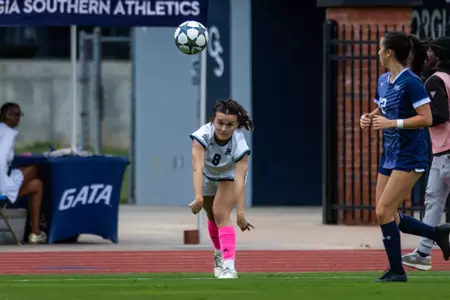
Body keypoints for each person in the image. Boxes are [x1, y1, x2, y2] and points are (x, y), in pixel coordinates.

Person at [359, 32, 450, 283]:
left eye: (380, 48)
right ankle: (435, 233)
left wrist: (392, 123)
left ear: (389, 52)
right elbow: (382, 109)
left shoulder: (411, 82)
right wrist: (369, 117)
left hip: (410, 156)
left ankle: (397, 271)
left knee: (383, 211)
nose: (378, 52)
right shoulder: (383, 80)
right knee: (386, 213)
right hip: (389, 154)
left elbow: (427, 118)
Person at [189, 99, 254, 279]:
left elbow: (240, 179)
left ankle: (229, 266)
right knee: (211, 215)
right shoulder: (202, 136)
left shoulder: (239, 143)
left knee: (221, 213)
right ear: (213, 120)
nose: (224, 129)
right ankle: (218, 254)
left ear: (236, 124)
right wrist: (198, 197)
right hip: (209, 175)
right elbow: (197, 167)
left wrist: (240, 213)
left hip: (230, 175)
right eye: (220, 123)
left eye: (230, 124)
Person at [402, 37, 450, 271]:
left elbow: (439, 115)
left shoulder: (436, 80)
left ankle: (423, 251)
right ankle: (423, 252)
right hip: (442, 153)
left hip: (447, 152)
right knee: (433, 200)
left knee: (433, 201)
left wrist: (420, 117)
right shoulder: (444, 78)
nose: (428, 54)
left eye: (431, 51)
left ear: (439, 56)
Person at [0, 102, 47, 244]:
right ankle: (36, 233)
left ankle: (35, 234)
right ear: (4, 116)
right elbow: (1, 161)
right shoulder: (7, 133)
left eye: (19, 115)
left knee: (37, 185)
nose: (18, 118)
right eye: (14, 115)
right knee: (34, 168)